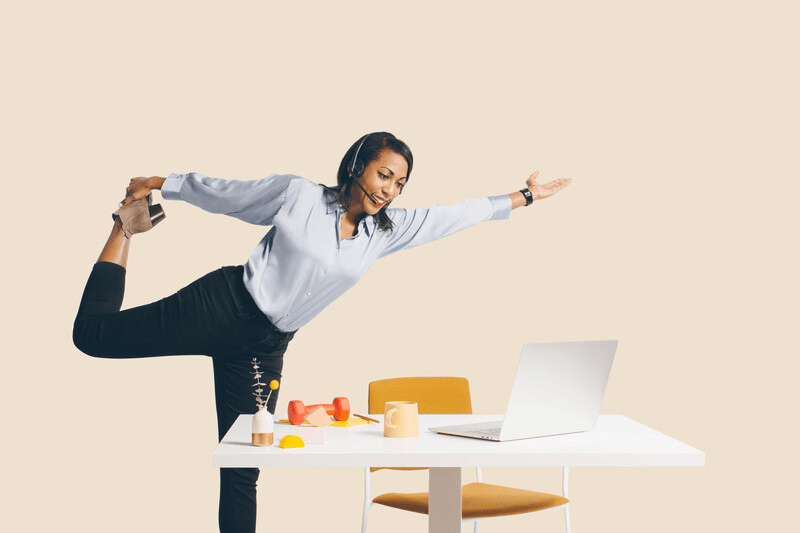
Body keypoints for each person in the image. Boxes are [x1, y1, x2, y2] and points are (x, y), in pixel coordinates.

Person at [72, 131, 572, 532]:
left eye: (399, 183)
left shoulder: (384, 233)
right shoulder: (299, 196)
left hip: (264, 347)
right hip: (223, 305)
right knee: (93, 336)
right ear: (356, 165)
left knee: (244, 461)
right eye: (384, 174)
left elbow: (456, 214)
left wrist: (526, 195)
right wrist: (162, 182)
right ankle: (124, 227)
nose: (389, 190)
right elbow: (226, 194)